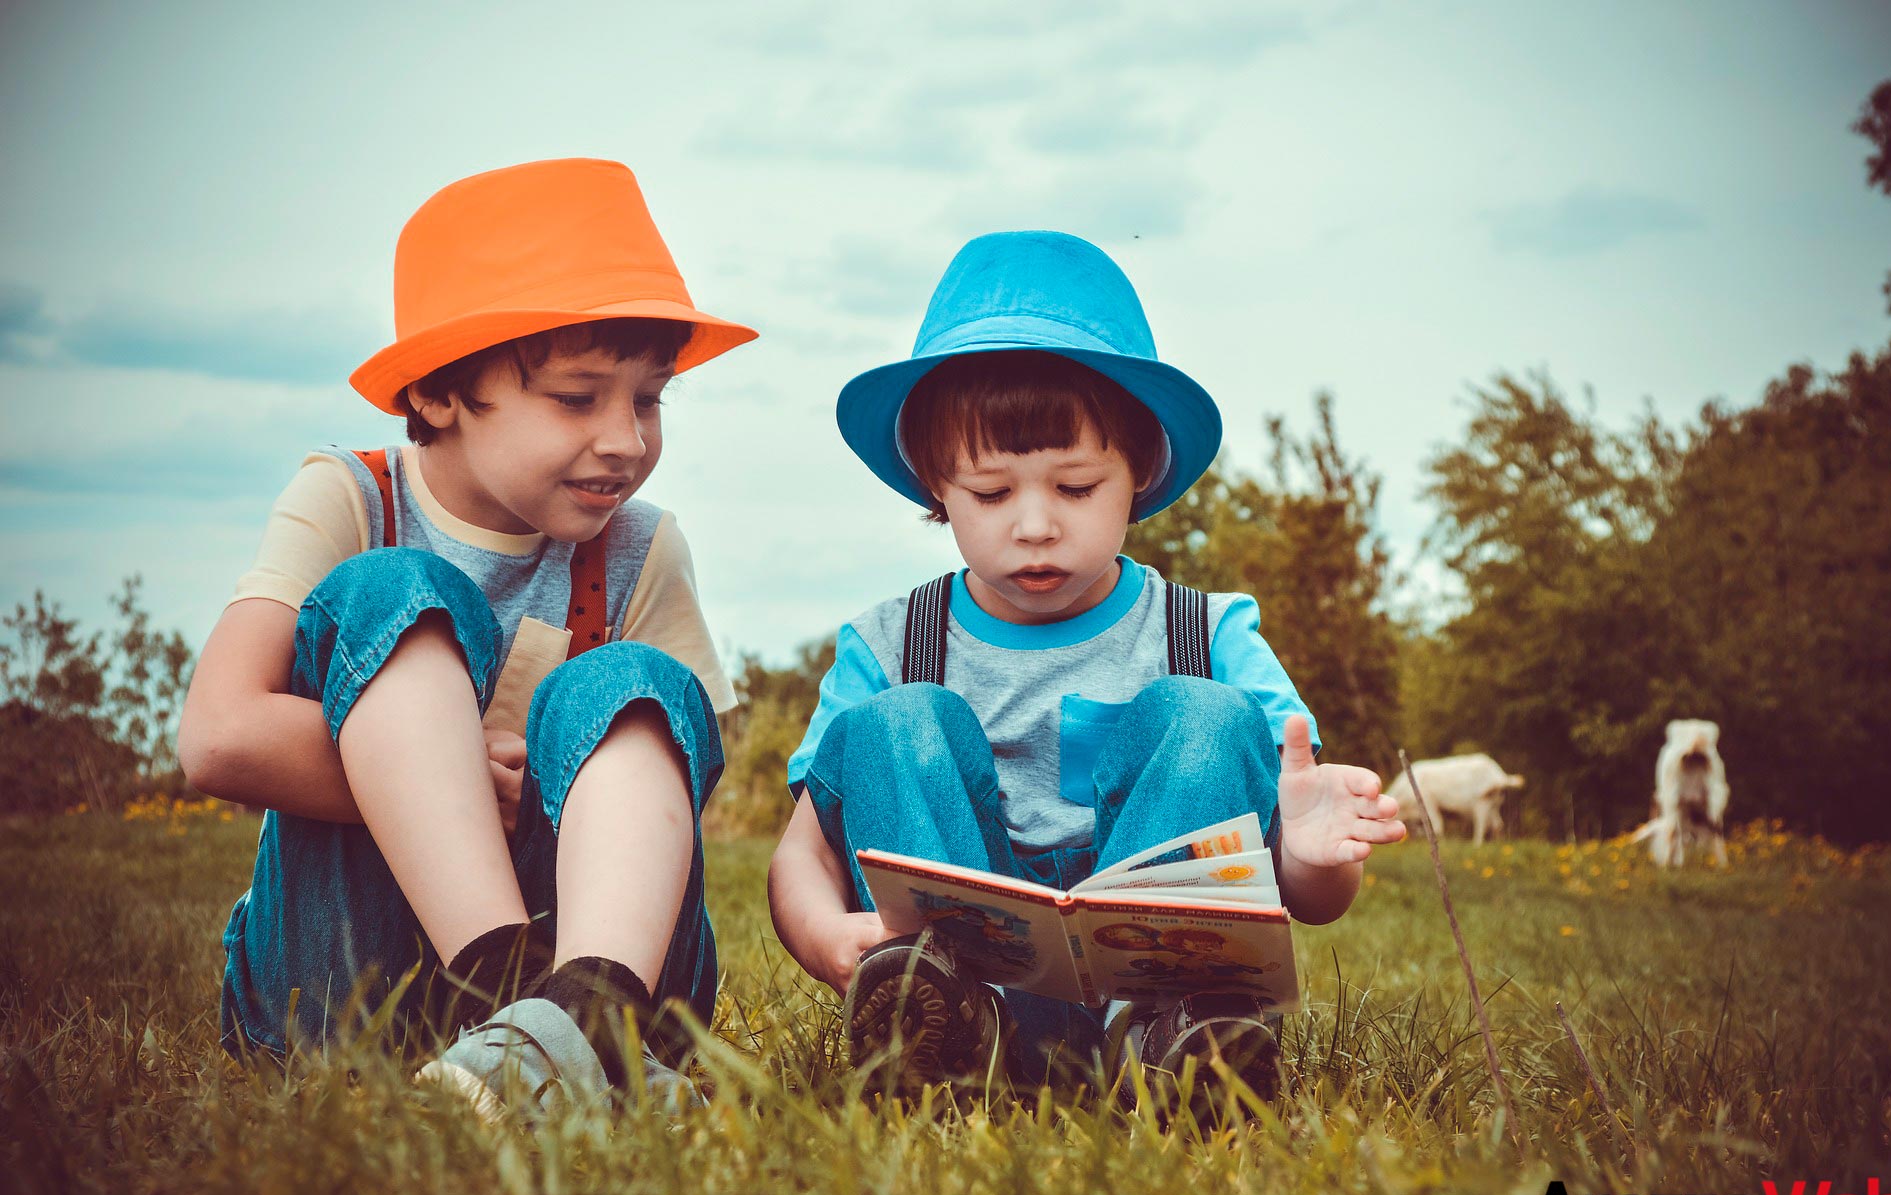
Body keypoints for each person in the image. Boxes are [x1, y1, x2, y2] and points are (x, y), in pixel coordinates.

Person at [765, 230, 1406, 1107]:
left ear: (1138, 471)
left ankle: (1180, 1048)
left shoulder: (1208, 632)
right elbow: (800, 854)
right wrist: (827, 936)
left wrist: (1310, 854)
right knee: (894, 723)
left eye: (1074, 488)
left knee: (1205, 714)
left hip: (1163, 991)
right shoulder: (887, 643)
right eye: (991, 494)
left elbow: (1313, 896)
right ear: (934, 484)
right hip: (965, 988)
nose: (1034, 526)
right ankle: (938, 1039)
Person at [177, 159, 755, 1119]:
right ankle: (522, 1009)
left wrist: (571, 782)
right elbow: (220, 734)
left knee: (635, 683)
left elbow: (689, 764)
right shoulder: (352, 498)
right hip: (345, 982)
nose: (626, 439)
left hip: (591, 943)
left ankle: (590, 1016)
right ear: (442, 392)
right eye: (579, 398)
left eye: (649, 399)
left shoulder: (644, 547)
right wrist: (443, 778)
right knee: (392, 592)